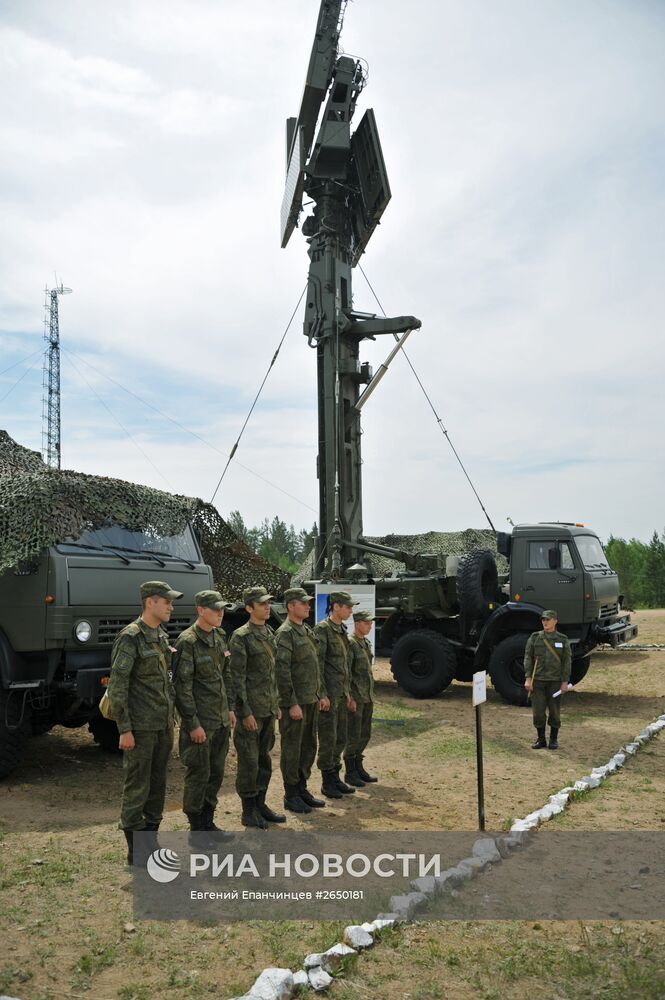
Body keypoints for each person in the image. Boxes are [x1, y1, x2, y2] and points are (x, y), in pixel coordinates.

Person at [107, 579, 181, 865]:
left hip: (162, 725)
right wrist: (124, 728)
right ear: (151, 602)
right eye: (167, 602)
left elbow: (166, 682)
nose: (171, 607)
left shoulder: (160, 636)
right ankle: (135, 850)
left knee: (158, 783)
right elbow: (118, 686)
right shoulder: (131, 637)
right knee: (137, 785)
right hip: (139, 727)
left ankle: (151, 840)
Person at [174, 590, 236, 836]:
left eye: (222, 609)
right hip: (201, 724)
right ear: (201, 610)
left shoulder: (219, 637)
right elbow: (182, 688)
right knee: (199, 775)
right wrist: (192, 724)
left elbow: (226, 675)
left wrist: (230, 708)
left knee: (215, 774)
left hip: (219, 720)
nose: (221, 614)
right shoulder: (188, 641)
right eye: (216, 609)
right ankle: (196, 829)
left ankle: (208, 823)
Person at [229, 586, 284, 829]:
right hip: (251, 712)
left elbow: (272, 674)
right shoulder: (241, 637)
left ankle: (261, 804)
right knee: (249, 762)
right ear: (249, 608)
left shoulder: (269, 632)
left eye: (268, 603)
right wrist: (245, 712)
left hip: (267, 709)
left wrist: (276, 703)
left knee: (264, 760)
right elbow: (236, 678)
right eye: (261, 604)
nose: (267, 607)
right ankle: (248, 810)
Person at [275, 587, 329, 814]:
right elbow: (282, 671)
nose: (308, 606)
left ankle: (302, 787)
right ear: (290, 606)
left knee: (308, 747)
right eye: (303, 603)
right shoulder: (285, 633)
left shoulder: (306, 630)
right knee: (292, 749)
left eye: (308, 603)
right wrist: (291, 703)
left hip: (310, 699)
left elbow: (315, 668)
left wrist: (320, 694)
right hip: (295, 703)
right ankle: (291, 794)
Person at [314, 590, 357, 799]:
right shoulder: (323, 630)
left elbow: (344, 666)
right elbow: (318, 665)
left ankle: (335, 777)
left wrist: (348, 693)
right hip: (328, 696)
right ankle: (326, 781)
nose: (350, 610)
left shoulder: (342, 630)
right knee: (328, 739)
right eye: (347, 607)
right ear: (336, 607)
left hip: (341, 694)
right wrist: (321, 693)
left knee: (340, 737)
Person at [524, 609, 572, 750]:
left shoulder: (562, 639)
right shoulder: (535, 638)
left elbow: (566, 661)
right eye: (543, 620)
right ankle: (541, 739)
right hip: (537, 680)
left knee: (554, 711)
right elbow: (528, 657)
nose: (545, 622)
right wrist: (528, 678)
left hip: (555, 681)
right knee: (538, 712)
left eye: (548, 619)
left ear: (555, 621)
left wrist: (564, 681)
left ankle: (553, 739)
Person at [344, 610, 378, 786]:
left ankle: (358, 766)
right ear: (357, 624)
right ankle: (350, 772)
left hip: (367, 695)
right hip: (356, 696)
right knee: (354, 734)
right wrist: (349, 697)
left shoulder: (365, 642)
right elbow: (347, 672)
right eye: (367, 623)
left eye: (370, 623)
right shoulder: (350, 643)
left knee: (365, 733)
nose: (370, 626)